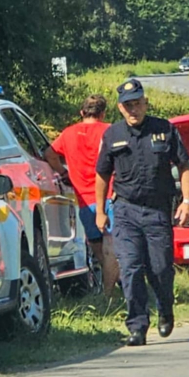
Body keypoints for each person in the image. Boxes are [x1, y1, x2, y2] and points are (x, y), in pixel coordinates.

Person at [95, 79, 189, 346]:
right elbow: (102, 173)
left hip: (157, 211)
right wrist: (100, 210)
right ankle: (137, 325)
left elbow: (184, 166)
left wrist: (188, 201)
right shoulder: (112, 135)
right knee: (130, 268)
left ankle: (165, 309)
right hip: (125, 211)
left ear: (145, 103)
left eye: (137, 104)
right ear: (120, 107)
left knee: (160, 269)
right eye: (128, 105)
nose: (133, 110)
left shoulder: (164, 129)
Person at [44, 94, 120, 296]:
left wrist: (62, 173)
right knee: (112, 245)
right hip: (110, 195)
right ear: (103, 113)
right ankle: (112, 291)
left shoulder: (68, 133)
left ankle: (110, 290)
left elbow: (49, 154)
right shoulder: (110, 131)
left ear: (81, 113)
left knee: (97, 247)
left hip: (84, 200)